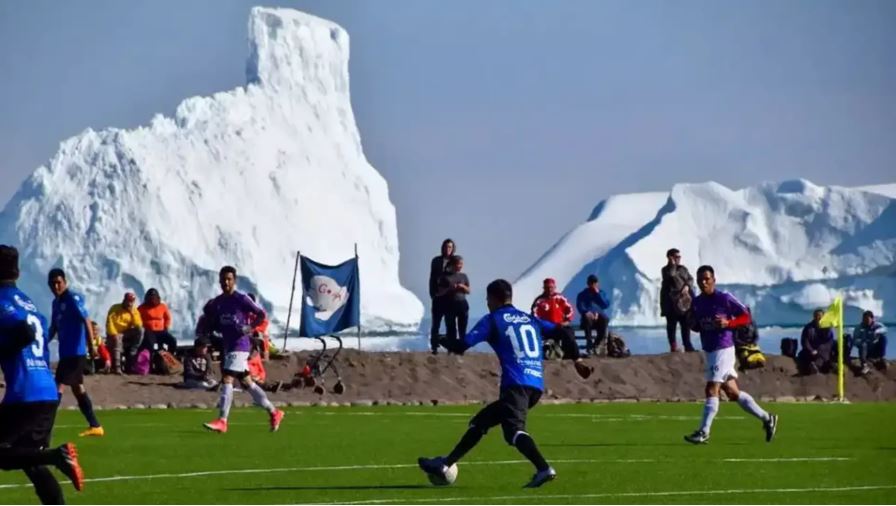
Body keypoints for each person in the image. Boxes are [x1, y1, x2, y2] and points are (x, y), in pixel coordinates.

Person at [418, 279, 592, 488]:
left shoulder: (492, 320)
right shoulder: (530, 319)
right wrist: (577, 360)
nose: (487, 303)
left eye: (487, 299)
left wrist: (440, 339)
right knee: (481, 422)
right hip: (535, 385)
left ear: (493, 298)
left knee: (513, 432)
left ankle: (543, 468)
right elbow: (565, 331)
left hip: (516, 385)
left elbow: (461, 345)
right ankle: (445, 464)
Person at [0, 245, 85, 504]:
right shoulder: (28, 303)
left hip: (25, 394)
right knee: (30, 460)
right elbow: (38, 339)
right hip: (46, 389)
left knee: (16, 456)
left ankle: (56, 456)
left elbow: (22, 335)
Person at [684, 265, 777, 445]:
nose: (704, 283)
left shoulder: (724, 298)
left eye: (707, 279)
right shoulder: (697, 302)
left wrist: (729, 322)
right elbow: (697, 325)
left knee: (711, 388)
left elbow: (746, 317)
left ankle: (704, 432)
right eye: (700, 280)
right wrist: (692, 323)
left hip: (723, 348)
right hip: (710, 349)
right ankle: (767, 418)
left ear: (713, 280)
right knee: (733, 393)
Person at [198, 265, 284, 433]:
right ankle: (274, 412)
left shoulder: (241, 299)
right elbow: (212, 318)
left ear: (234, 281)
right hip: (229, 346)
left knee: (227, 378)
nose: (226, 282)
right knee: (247, 383)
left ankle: (222, 420)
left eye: (229, 279)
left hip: (240, 345)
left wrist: (250, 328)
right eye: (223, 279)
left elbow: (261, 314)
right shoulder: (218, 302)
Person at [47, 268, 104, 437]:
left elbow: (85, 319)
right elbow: (54, 327)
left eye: (59, 282)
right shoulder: (55, 304)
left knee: (58, 386)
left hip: (75, 352)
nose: (56, 286)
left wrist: (91, 345)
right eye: (53, 283)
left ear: (65, 282)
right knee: (78, 388)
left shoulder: (73, 298)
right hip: (66, 353)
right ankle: (95, 425)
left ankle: (45, 426)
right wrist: (43, 341)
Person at [531, 278, 581, 360]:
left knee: (569, 332)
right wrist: (548, 326)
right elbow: (535, 317)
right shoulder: (539, 301)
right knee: (566, 332)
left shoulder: (560, 298)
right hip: (547, 329)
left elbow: (570, 310)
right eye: (547, 287)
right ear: (544, 288)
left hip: (560, 326)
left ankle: (570, 354)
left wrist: (566, 321)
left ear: (554, 287)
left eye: (551, 287)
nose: (549, 289)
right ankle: (576, 356)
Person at [660, 248, 696, 352]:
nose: (679, 259)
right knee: (671, 325)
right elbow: (672, 275)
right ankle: (673, 345)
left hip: (683, 302)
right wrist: (672, 265)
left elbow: (690, 279)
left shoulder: (683, 269)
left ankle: (687, 345)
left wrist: (687, 286)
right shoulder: (666, 269)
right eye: (676, 257)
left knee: (685, 324)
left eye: (679, 257)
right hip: (671, 302)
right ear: (670, 257)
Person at [428, 239, 455, 354]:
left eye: (450, 247)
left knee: (450, 323)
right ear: (442, 248)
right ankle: (434, 347)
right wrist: (432, 293)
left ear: (453, 249)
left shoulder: (455, 261)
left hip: (450, 298)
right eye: (446, 247)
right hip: (438, 296)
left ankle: (450, 347)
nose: (447, 249)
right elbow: (432, 278)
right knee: (436, 323)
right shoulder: (436, 261)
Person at [105, 292, 143, 374]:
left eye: (131, 301)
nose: (129, 303)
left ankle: (134, 349)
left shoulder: (134, 310)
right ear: (124, 300)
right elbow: (109, 322)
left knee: (141, 330)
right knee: (117, 342)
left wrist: (132, 313)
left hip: (126, 332)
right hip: (115, 332)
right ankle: (117, 367)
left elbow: (138, 324)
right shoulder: (115, 308)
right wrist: (114, 333)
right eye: (128, 301)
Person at [441, 255, 470, 350]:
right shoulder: (446, 276)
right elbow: (440, 291)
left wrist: (462, 287)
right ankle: (451, 348)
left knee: (462, 328)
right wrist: (450, 289)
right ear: (453, 264)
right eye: (458, 264)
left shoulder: (464, 276)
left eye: (461, 264)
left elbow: (469, 291)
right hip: (450, 304)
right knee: (451, 328)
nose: (460, 266)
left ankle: (461, 348)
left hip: (462, 304)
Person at [576, 275, 610, 355]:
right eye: (591, 282)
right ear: (588, 284)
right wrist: (587, 312)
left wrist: (598, 294)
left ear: (597, 283)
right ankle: (589, 343)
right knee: (587, 318)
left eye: (594, 282)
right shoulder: (582, 294)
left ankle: (596, 344)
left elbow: (605, 305)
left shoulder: (601, 293)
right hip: (588, 320)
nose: (593, 284)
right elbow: (580, 306)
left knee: (605, 319)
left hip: (599, 319)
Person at [137, 288, 177, 353]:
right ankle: (150, 360)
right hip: (149, 332)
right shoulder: (141, 308)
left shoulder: (162, 306)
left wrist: (166, 327)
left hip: (161, 331)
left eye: (154, 296)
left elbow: (167, 318)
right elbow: (137, 319)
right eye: (150, 297)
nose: (152, 298)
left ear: (157, 297)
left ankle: (170, 357)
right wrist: (142, 328)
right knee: (150, 345)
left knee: (172, 341)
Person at [798, 309, 835, 374]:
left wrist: (819, 349)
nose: (818, 317)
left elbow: (829, 341)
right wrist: (811, 350)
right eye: (816, 315)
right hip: (811, 350)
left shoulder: (827, 327)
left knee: (823, 356)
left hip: (823, 350)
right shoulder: (808, 327)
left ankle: (816, 367)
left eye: (820, 316)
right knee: (802, 355)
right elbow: (804, 341)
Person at [851, 311, 888, 375]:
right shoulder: (859, 328)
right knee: (863, 345)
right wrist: (862, 341)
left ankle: (880, 359)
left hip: (875, 348)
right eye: (864, 319)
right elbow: (854, 341)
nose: (865, 321)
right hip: (866, 350)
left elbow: (885, 329)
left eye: (867, 319)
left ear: (872, 319)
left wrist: (876, 332)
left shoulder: (877, 325)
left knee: (883, 338)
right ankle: (864, 365)